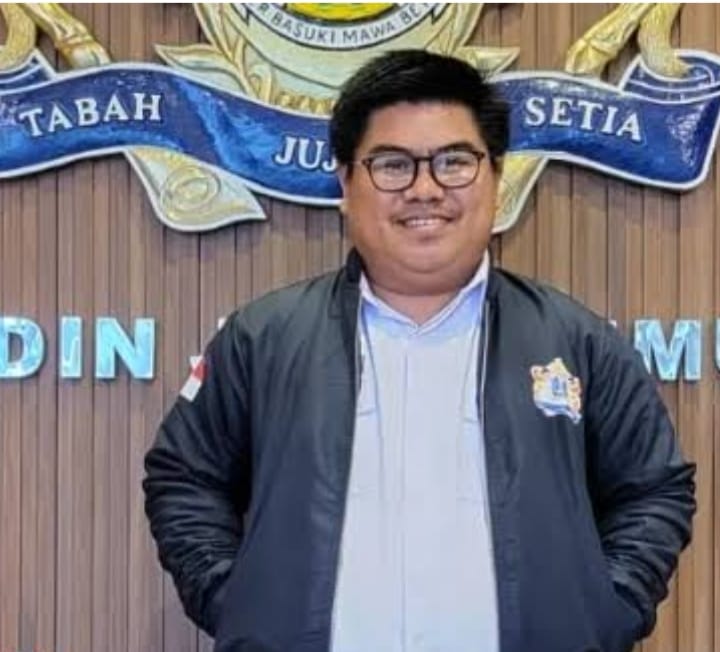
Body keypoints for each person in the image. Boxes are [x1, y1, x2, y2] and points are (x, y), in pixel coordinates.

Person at [143, 50, 696, 652]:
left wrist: (600, 611)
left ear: (496, 178)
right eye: (392, 165)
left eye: (454, 162)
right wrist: (243, 602)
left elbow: (654, 490)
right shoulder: (263, 338)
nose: (425, 189)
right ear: (345, 183)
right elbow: (184, 477)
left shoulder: (576, 342)